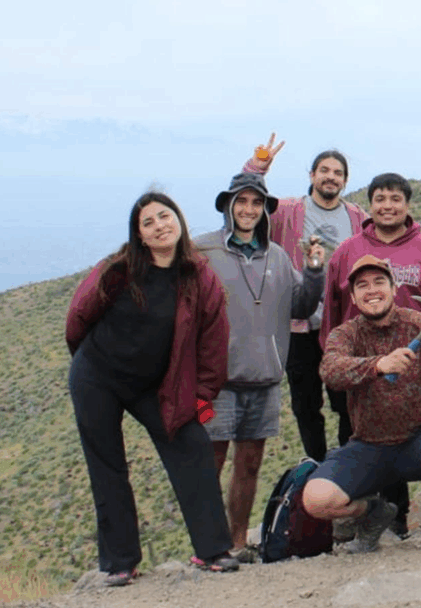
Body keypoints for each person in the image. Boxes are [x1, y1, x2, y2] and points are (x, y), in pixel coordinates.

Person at [65, 192, 239, 586]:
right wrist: (87, 366)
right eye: (149, 222)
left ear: (178, 220)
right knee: (107, 465)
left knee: (191, 444)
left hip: (156, 385)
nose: (160, 225)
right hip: (98, 377)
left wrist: (202, 396)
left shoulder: (200, 276)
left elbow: (214, 340)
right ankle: (120, 563)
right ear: (140, 235)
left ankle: (213, 550)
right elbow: (79, 316)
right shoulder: (118, 269)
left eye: (165, 216)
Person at [303, 256, 421, 551]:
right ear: (352, 296)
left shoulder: (420, 322)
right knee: (316, 499)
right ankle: (373, 513)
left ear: (394, 287)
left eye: (379, 282)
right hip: (368, 445)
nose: (371, 290)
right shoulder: (345, 334)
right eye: (362, 285)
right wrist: (378, 365)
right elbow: (331, 370)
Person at [321, 171, 421, 536]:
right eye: (380, 199)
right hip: (365, 370)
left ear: (407, 205)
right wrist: (341, 362)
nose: (388, 206)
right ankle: (391, 520)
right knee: (374, 441)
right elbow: (334, 311)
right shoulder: (347, 251)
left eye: (395, 199)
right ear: (370, 204)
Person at [194, 173, 326, 562]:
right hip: (216, 383)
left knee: (249, 465)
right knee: (209, 466)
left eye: (256, 203)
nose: (248, 210)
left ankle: (236, 542)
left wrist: (316, 271)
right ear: (227, 206)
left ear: (265, 210)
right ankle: (207, 545)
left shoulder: (280, 257)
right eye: (241, 202)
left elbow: (301, 308)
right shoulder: (202, 251)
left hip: (265, 379)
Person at [243, 134, 369, 462]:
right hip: (298, 326)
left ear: (345, 180)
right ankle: (317, 466)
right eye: (323, 170)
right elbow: (246, 203)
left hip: (343, 327)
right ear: (311, 175)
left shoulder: (357, 217)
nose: (330, 176)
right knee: (306, 404)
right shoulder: (287, 211)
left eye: (337, 172)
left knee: (347, 403)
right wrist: (256, 167)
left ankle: (347, 465)